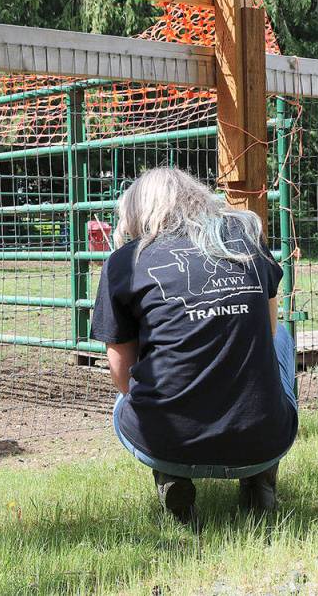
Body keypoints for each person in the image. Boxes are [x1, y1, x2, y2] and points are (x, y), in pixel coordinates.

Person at [91, 168, 298, 523]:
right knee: (281, 338)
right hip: (264, 438)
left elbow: (121, 372)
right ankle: (259, 478)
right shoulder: (245, 236)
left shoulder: (125, 262)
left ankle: (171, 473)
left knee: (126, 395)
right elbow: (268, 328)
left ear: (137, 212)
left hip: (165, 440)